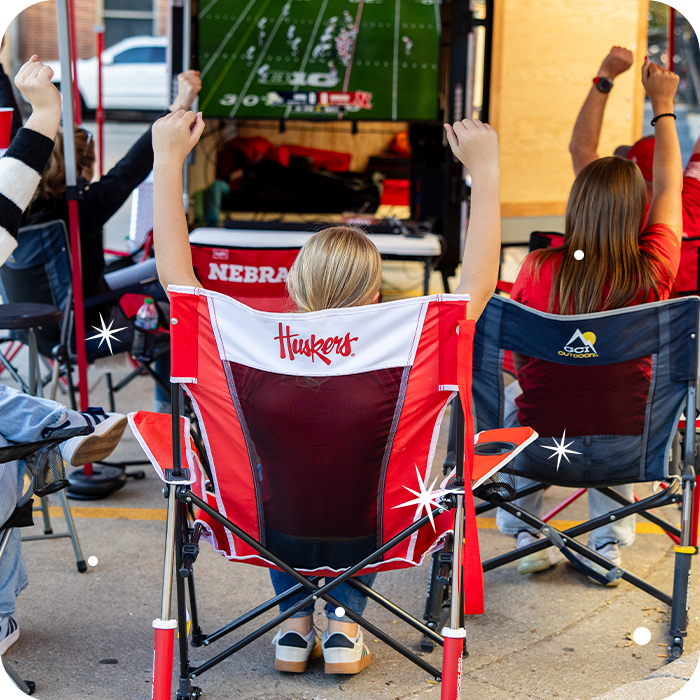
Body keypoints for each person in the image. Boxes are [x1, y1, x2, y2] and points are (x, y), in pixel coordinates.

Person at [149, 108, 501, 673]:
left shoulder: (246, 342)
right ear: (375, 290)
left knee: (282, 470)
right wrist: (485, 172)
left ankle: (292, 625)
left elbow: (175, 278)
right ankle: (343, 625)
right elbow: (478, 284)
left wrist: (168, 161)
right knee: (355, 476)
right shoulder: (408, 343)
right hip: (377, 531)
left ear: (295, 282)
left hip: (262, 531)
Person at [499, 58, 682, 583]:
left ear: (576, 206)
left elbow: (518, 362)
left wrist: (604, 79)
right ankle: (606, 541)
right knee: (622, 399)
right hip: (632, 451)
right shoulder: (653, 270)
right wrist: (663, 104)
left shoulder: (538, 269)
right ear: (640, 212)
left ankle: (526, 530)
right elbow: (670, 184)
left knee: (531, 397)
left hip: (539, 450)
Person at [0, 55, 127, 655]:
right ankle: (68, 429)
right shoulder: (86, 204)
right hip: (86, 326)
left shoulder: (33, 218)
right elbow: (135, 167)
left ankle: (62, 430)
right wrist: (43, 108)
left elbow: (13, 180)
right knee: (3, 458)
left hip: (34, 330)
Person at [569, 45, 700, 237]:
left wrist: (606, 76)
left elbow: (581, 149)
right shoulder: (692, 204)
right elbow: (669, 186)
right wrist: (662, 100)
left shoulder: (616, 215)